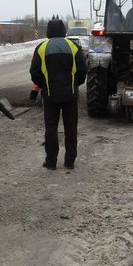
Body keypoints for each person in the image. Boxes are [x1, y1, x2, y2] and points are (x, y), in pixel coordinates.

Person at [30, 18, 87, 169]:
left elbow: (34, 72)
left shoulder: (41, 48)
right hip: (70, 95)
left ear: (48, 31)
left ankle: (51, 162)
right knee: (71, 129)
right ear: (64, 31)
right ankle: (69, 161)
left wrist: (44, 86)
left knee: (51, 129)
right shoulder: (74, 47)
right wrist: (74, 85)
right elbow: (82, 70)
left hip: (50, 95)